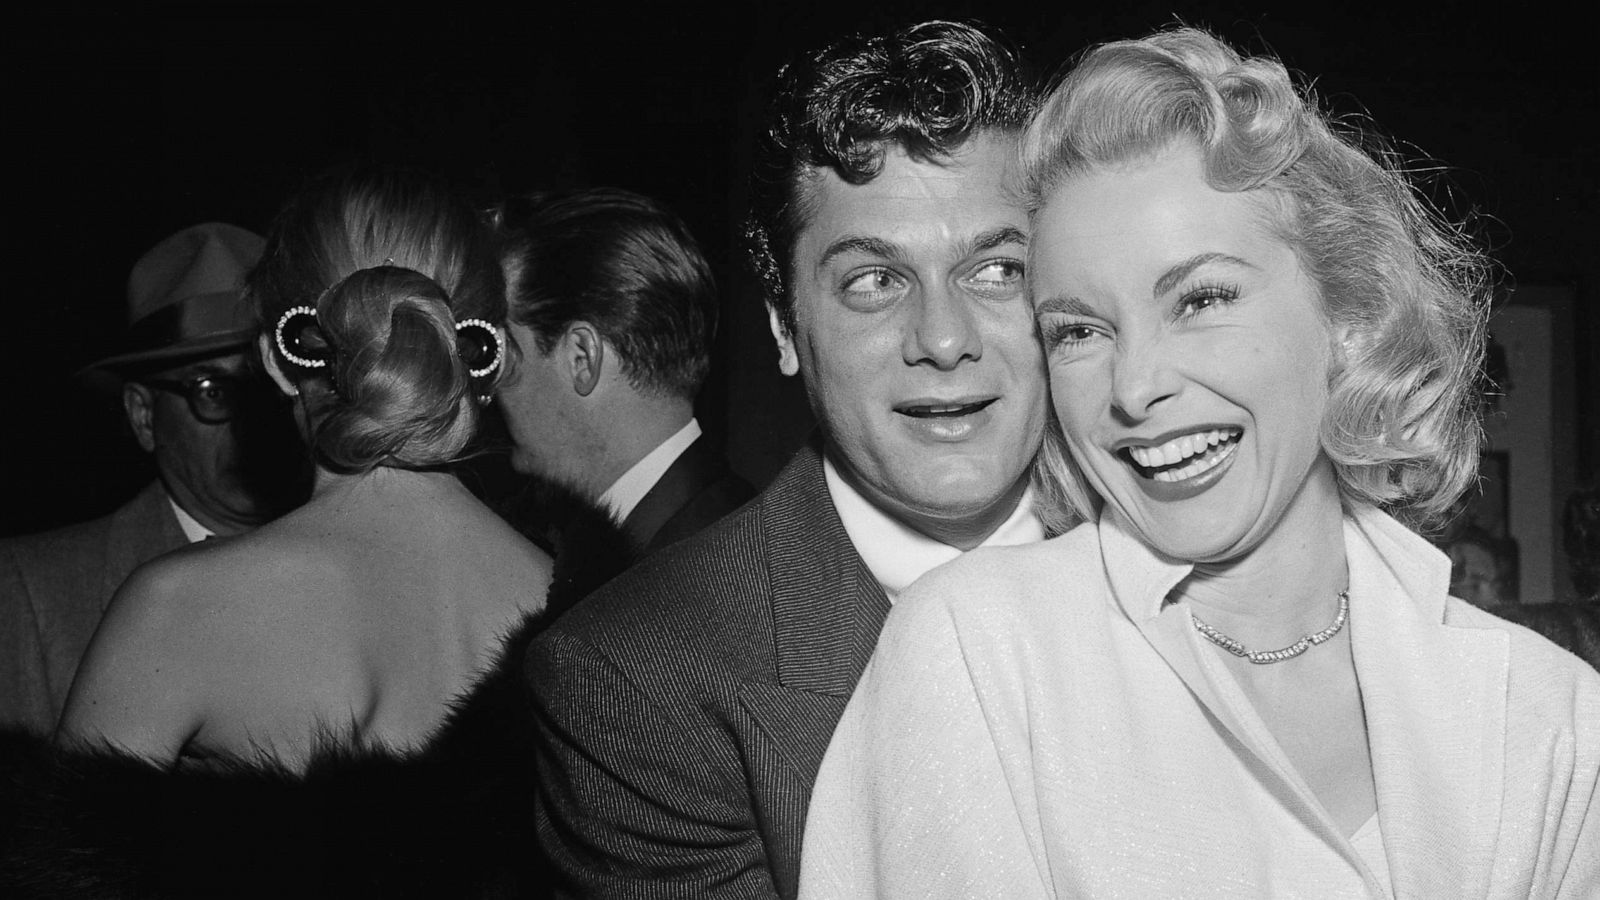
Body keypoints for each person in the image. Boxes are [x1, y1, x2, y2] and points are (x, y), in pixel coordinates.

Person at [800, 27, 1599, 899]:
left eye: (1201, 299)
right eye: (1079, 331)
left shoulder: (1549, 714)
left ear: (1351, 318)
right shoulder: (979, 654)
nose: (1135, 387)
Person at [529, 20, 1050, 899]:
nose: (945, 337)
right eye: (874, 281)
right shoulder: (635, 681)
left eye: (997, 271)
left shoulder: (1190, 550)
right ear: (782, 327)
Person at [58, 168, 554, 768]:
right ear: (484, 357)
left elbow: (65, 855)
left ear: (273, 358)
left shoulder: (175, 610)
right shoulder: (577, 608)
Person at [0, 222, 304, 734]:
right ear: (144, 415)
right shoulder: (29, 592)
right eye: (212, 390)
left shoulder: (355, 565)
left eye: (269, 388)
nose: (253, 419)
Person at [494, 188, 753, 586]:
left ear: (583, 357)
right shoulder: (712, 527)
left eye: (507, 353)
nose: (491, 387)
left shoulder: (712, 569)